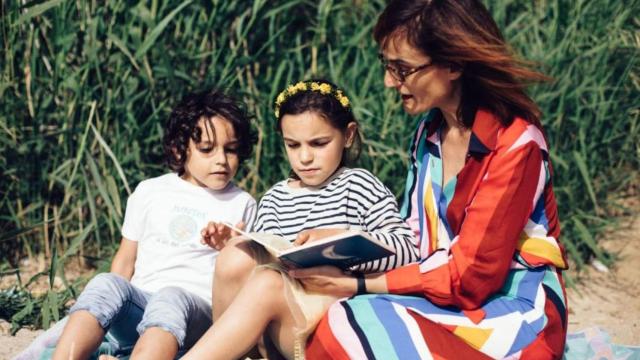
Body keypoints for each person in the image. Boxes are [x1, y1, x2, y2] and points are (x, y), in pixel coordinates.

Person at [302, 0, 568, 359]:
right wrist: (348, 243)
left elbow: (471, 277)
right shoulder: (429, 133)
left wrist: (359, 283)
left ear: (454, 64)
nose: (389, 81)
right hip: (443, 297)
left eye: (402, 69)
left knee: (349, 319)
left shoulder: (516, 143)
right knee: (332, 313)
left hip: (511, 311)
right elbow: (414, 235)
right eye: (387, 65)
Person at [183, 79, 420, 359]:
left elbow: (408, 250)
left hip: (334, 315)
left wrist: (338, 242)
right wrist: (238, 244)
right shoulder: (274, 199)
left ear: (348, 135)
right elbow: (260, 263)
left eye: (319, 143)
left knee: (269, 283)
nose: (305, 157)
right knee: (235, 256)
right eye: (293, 145)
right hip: (281, 320)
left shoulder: (359, 185)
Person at [40, 89, 257, 360]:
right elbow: (125, 261)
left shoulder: (241, 203)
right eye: (206, 149)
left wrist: (230, 245)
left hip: (196, 317)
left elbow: (244, 278)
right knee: (105, 283)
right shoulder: (150, 191)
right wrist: (110, 305)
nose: (221, 159)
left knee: (170, 297)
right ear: (180, 149)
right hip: (141, 306)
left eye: (231, 150)